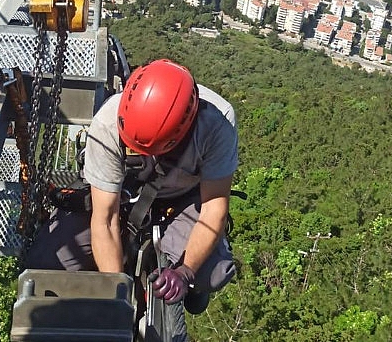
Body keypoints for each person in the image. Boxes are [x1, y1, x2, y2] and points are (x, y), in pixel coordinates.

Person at [27, 59, 238, 341]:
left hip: (184, 198)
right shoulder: (108, 122)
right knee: (46, 263)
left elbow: (214, 209)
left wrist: (186, 273)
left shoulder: (217, 123)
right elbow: (105, 218)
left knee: (211, 273)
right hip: (123, 192)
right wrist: (117, 296)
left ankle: (194, 285)